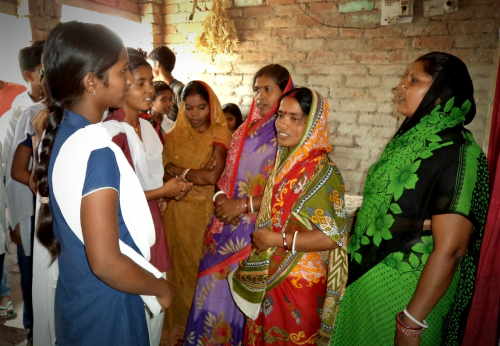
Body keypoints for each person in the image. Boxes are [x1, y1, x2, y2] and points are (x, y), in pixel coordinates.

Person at [330, 52, 490, 346]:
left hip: (408, 291)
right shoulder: (408, 141)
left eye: (413, 80)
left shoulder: (459, 152)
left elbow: (452, 247)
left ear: (442, 93)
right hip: (367, 278)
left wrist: (411, 322)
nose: (400, 86)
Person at [36, 21, 174, 345]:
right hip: (109, 310)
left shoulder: (64, 134)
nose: (129, 80)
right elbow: (106, 262)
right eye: (123, 71)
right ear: (92, 82)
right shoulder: (97, 151)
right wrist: (160, 287)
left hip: (77, 299)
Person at [183, 64, 293, 346]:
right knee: (208, 295)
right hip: (224, 225)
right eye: (257, 89)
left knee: (236, 302)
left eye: (268, 89)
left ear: (286, 91)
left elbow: (285, 190)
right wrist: (221, 199)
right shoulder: (245, 128)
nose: (260, 96)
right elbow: (227, 173)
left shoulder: (286, 136)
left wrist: (242, 206)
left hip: (253, 232)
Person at [229, 88, 347, 346]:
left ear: (313, 124)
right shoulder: (288, 162)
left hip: (300, 285)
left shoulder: (322, 172)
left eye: (294, 118)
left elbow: (330, 237)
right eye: (281, 115)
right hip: (271, 276)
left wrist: (275, 240)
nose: (281, 124)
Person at [104, 48, 191, 346]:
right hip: (125, 230)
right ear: (121, 83)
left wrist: (163, 194)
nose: (149, 90)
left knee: (154, 307)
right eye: (140, 83)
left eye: (150, 83)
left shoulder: (148, 128)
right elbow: (115, 198)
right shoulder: (111, 134)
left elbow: (149, 179)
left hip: (152, 220)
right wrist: (162, 192)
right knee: (133, 308)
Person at [161, 81, 231, 345]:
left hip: (204, 216)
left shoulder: (219, 135)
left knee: (197, 276)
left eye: (201, 107)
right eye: (188, 107)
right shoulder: (173, 134)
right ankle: (174, 335)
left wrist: (179, 170)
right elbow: (162, 174)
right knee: (174, 274)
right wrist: (188, 174)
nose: (195, 114)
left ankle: (196, 335)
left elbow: (212, 175)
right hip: (176, 215)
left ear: (211, 107)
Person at [0, 40, 44, 337]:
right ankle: (32, 330)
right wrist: (13, 219)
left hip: (48, 210)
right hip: (28, 210)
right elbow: (9, 172)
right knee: (30, 279)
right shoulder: (19, 116)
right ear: (31, 74)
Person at [147, 46, 184, 122]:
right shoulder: (154, 88)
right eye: (164, 99)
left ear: (157, 64)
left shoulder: (179, 89)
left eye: (170, 99)